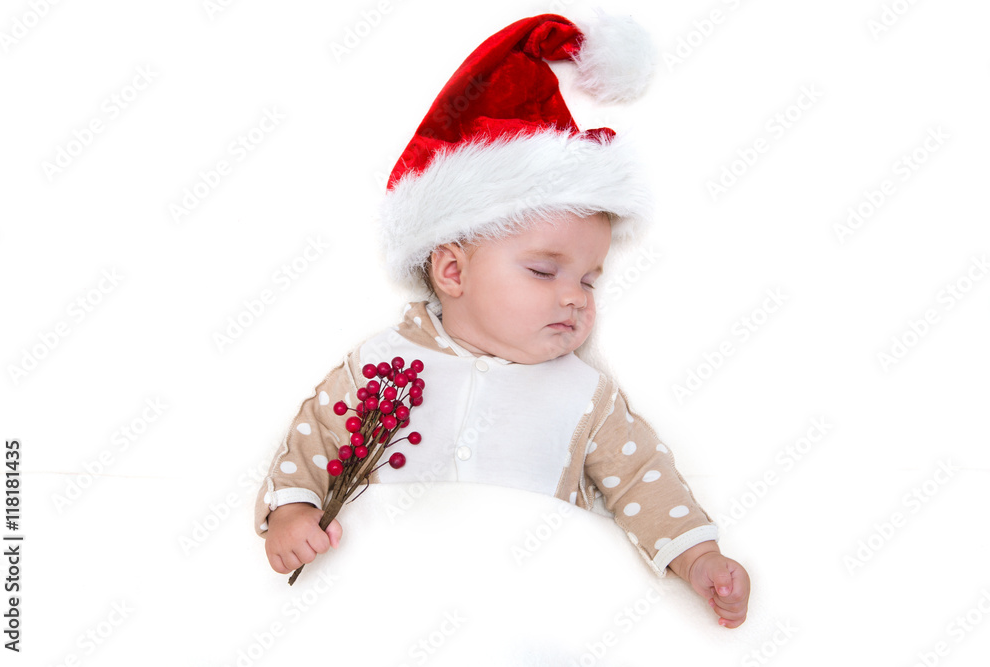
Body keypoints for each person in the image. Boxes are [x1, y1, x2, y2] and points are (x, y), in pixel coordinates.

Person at [254, 12, 749, 628]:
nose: (575, 297)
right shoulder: (380, 366)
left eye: (589, 280)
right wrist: (290, 516)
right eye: (544, 272)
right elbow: (313, 442)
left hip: (530, 606)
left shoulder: (583, 394)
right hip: (383, 601)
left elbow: (642, 479)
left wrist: (699, 557)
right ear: (453, 272)